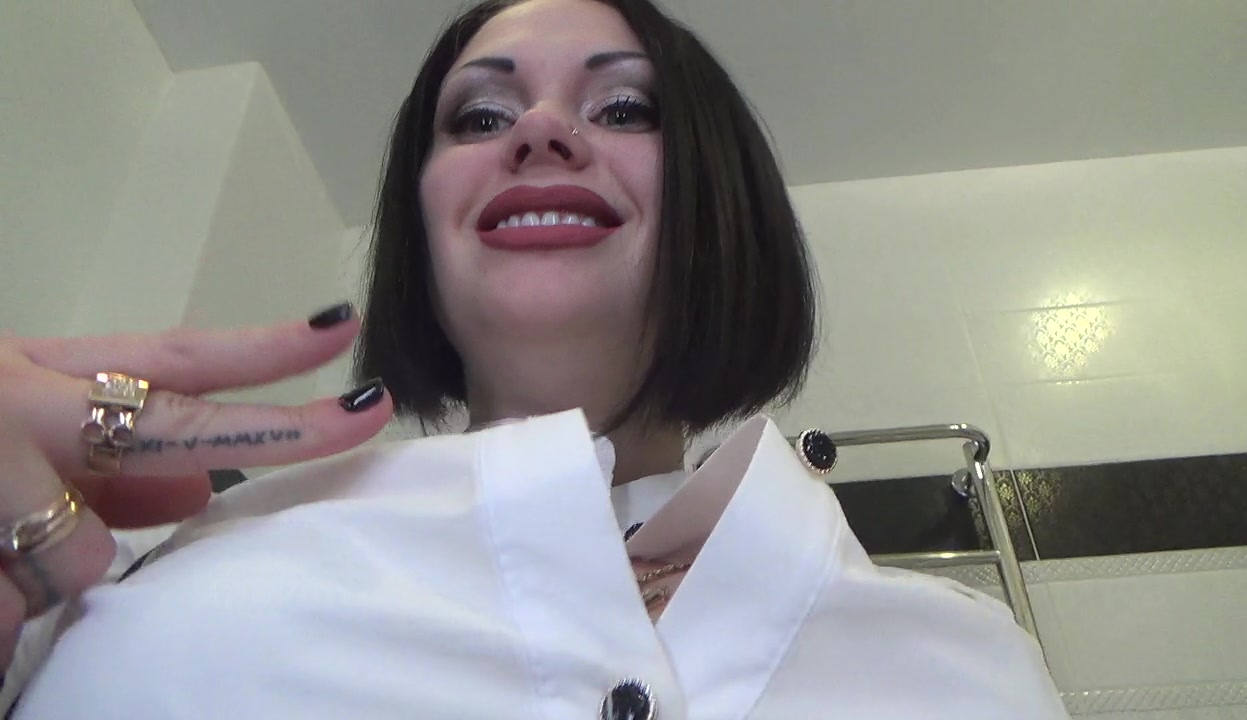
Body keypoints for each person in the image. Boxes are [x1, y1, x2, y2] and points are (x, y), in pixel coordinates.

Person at [0, 0, 1070, 716]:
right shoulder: (147, 577)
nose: (541, 132)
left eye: (623, 107)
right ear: (421, 234)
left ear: (716, 204)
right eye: (478, 116)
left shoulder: (969, 671)